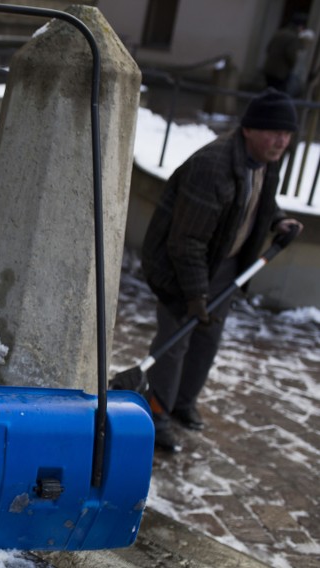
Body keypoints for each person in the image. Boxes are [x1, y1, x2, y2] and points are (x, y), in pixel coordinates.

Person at [140, 88, 304, 452]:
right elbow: (187, 243)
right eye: (273, 131)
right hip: (180, 264)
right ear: (248, 129)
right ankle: (155, 412)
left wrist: (277, 220)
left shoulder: (263, 160)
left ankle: (182, 404)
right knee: (176, 340)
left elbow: (257, 198)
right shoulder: (212, 167)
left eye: (287, 133)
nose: (281, 140)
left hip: (223, 265)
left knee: (207, 339)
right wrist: (196, 295)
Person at [263, 13, 313, 96]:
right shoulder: (293, 37)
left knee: (268, 92)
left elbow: (268, 48)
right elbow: (291, 55)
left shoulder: (280, 32)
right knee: (277, 95)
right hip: (280, 72)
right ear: (300, 27)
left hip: (269, 68)